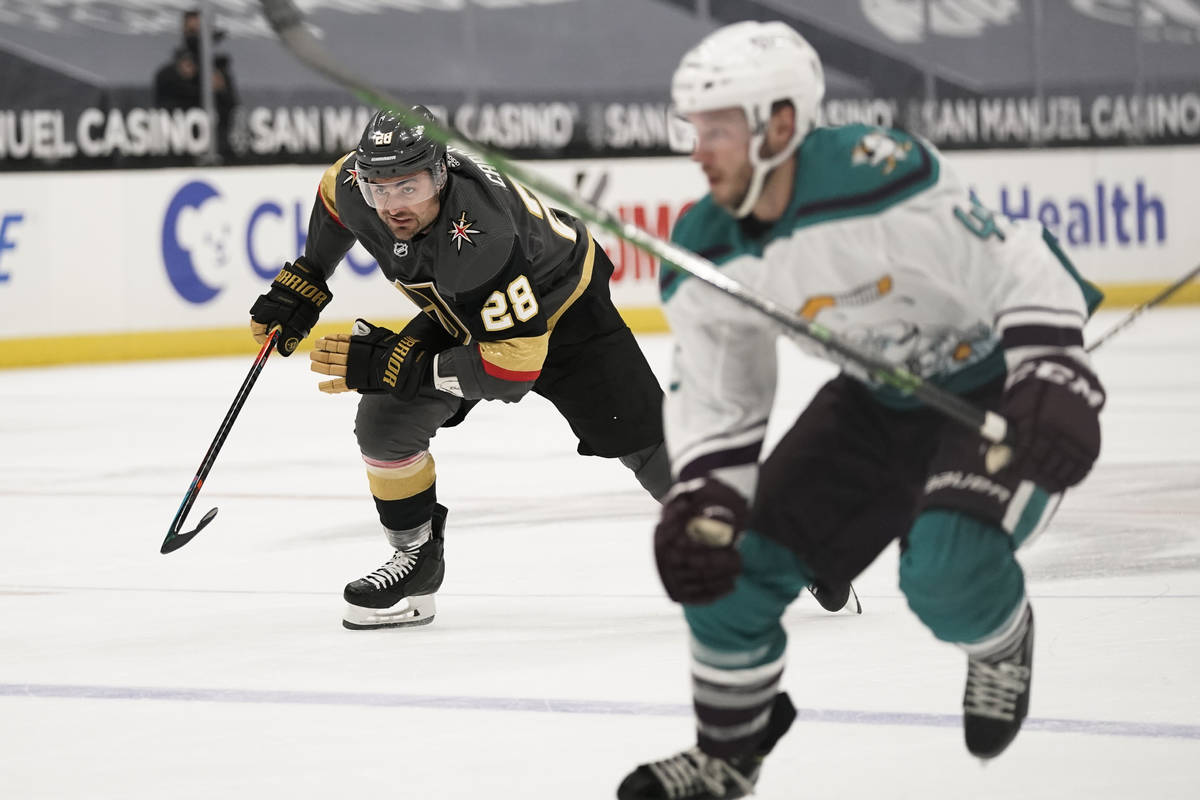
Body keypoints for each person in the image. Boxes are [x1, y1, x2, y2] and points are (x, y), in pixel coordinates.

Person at [617, 20, 1105, 800]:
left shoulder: (875, 182)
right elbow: (719, 389)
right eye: (694, 128)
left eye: (718, 128)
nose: (698, 149)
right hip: (876, 403)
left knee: (948, 573)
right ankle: (729, 753)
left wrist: (1051, 369)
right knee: (724, 563)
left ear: (781, 123)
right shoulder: (708, 244)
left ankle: (1003, 642)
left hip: (989, 388)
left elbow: (1011, 258)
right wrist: (704, 491)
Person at [247, 105, 676, 630]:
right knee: (385, 423)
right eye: (380, 189)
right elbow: (334, 200)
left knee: (656, 456)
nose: (394, 206)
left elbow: (514, 369)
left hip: (565, 313)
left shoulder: (479, 235)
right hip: (464, 307)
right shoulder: (355, 186)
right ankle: (416, 562)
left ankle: (785, 543)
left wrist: (399, 365)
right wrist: (309, 279)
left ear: (441, 172)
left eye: (411, 187)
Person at [152, 9, 237, 157]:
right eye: (192, 31)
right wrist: (183, 80)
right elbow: (162, 111)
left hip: (217, 148)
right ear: (184, 31)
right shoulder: (168, 74)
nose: (197, 37)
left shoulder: (219, 72)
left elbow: (232, 109)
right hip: (180, 150)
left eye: (201, 32)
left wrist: (220, 90)